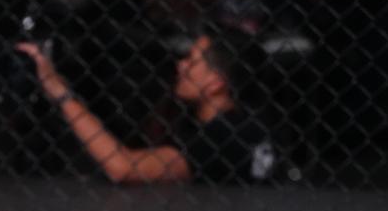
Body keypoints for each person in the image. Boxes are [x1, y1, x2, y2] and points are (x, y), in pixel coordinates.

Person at [16, 31, 276, 183]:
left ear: (215, 82)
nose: (181, 65)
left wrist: (60, 92)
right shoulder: (246, 125)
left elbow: (123, 167)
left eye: (192, 62)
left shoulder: (222, 137)